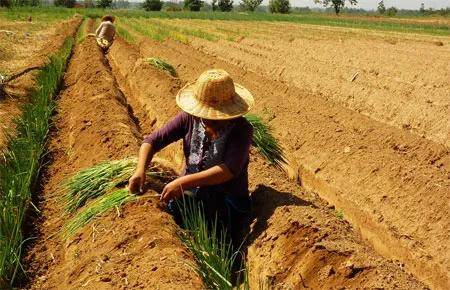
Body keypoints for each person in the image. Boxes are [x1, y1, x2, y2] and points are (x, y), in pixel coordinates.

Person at [128, 69, 254, 256]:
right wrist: (140, 170)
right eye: (208, 116)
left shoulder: (242, 130)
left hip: (226, 199)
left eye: (219, 117)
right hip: (191, 194)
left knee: (212, 225)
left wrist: (184, 181)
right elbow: (151, 141)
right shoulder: (189, 118)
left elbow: (228, 170)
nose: (213, 121)